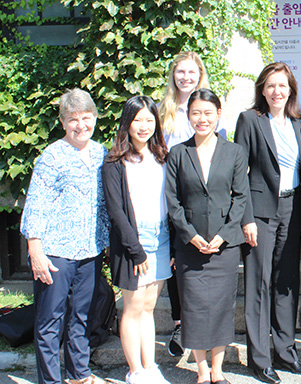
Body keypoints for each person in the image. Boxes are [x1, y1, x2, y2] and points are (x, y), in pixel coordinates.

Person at [20, 88, 109, 384]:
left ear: (95, 118)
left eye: (86, 117)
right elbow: (36, 203)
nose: (80, 124)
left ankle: (79, 373)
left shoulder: (101, 153)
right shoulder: (52, 156)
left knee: (81, 317)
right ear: (63, 122)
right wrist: (35, 250)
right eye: (73, 119)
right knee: (49, 322)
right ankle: (49, 380)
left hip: (90, 251)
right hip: (55, 253)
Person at [234, 62, 301, 384]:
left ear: (291, 90)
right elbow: (239, 173)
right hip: (261, 212)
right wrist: (246, 218)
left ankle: (286, 351)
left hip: (293, 209)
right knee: (259, 284)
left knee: (287, 281)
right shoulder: (250, 120)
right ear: (262, 89)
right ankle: (260, 359)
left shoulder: (298, 123)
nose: (276, 92)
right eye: (270, 86)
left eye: (282, 86)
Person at [165, 89, 250, 384]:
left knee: (222, 307)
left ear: (218, 113)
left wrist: (225, 235)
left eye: (208, 113)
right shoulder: (178, 153)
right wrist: (189, 236)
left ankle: (218, 369)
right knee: (194, 307)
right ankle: (201, 370)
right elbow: (172, 202)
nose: (202, 119)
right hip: (190, 247)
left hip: (224, 248)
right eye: (196, 113)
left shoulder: (234, 151)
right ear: (188, 116)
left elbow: (241, 198)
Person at [103, 96, 172, 384]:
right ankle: (135, 371)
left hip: (162, 236)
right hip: (133, 242)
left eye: (148, 119)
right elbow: (116, 211)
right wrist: (136, 251)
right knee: (132, 308)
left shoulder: (162, 156)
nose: (143, 126)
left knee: (148, 307)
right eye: (137, 120)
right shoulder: (115, 161)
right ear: (127, 123)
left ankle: (150, 367)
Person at [157, 51, 222, 355]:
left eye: (191, 72)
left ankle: (202, 323)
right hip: (168, 191)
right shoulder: (162, 111)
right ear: (173, 76)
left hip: (199, 194)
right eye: (180, 72)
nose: (185, 77)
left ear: (200, 75)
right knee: (175, 256)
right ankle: (179, 321)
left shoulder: (206, 106)